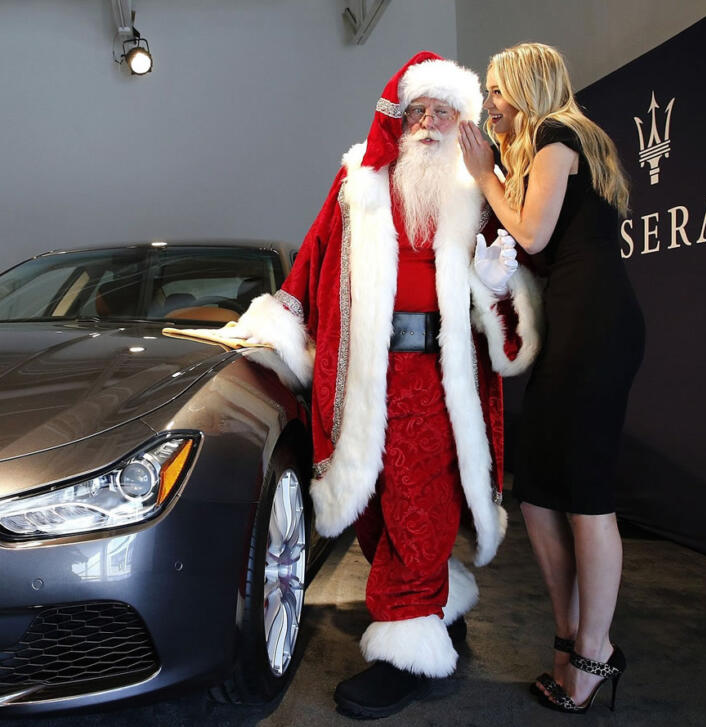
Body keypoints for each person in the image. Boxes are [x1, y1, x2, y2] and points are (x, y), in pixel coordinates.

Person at [218, 51, 542, 719]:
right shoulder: (358, 185)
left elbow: (507, 313)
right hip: (365, 377)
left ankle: (406, 654)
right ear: (397, 114)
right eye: (418, 109)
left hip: (438, 380)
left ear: (462, 121)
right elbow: (310, 261)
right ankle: (432, 600)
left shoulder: (480, 190)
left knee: (418, 509)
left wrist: (496, 283)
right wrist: (274, 325)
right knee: (372, 511)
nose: (428, 122)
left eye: (442, 111)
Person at [457, 42, 644, 714]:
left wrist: (483, 173)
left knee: (586, 497)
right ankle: (571, 637)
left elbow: (532, 235)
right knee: (537, 494)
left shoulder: (560, 135)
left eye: (498, 92)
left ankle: (594, 650)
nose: (490, 107)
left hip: (596, 327)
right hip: (573, 328)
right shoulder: (545, 150)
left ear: (530, 90)